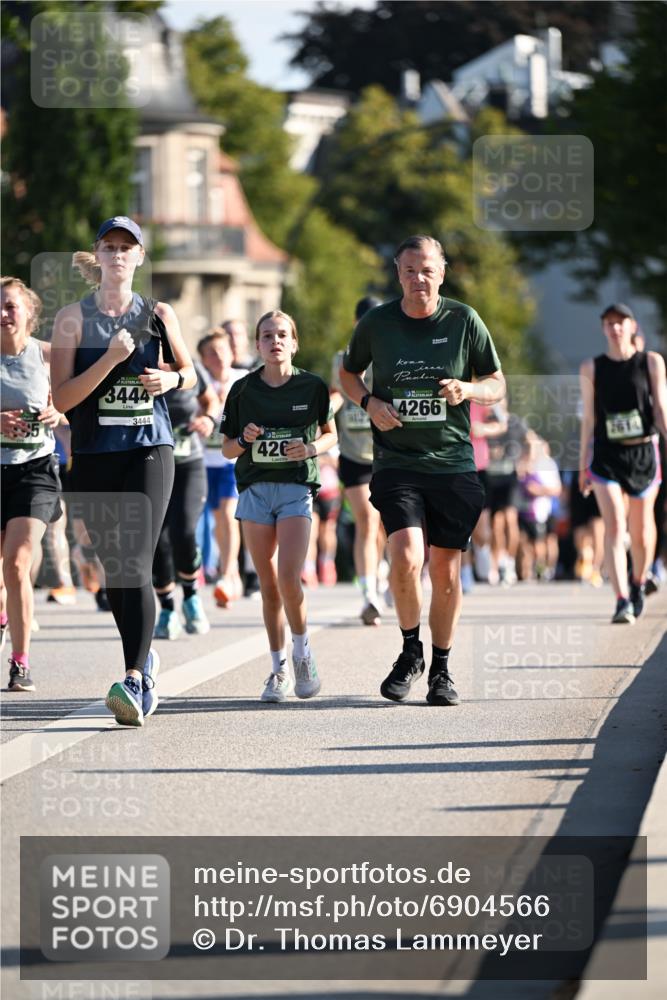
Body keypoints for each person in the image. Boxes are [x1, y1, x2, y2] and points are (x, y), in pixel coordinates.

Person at [340, 234, 505, 706]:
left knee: (446, 574)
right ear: (398, 273)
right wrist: (369, 402)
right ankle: (411, 651)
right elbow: (348, 374)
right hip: (397, 462)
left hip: (452, 462)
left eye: (428, 269)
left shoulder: (463, 320)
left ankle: (442, 669)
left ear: (442, 272)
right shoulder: (377, 323)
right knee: (407, 557)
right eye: (410, 270)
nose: (419, 279)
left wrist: (468, 391)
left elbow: (496, 382)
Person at [50, 216, 196, 726]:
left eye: (126, 248)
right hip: (94, 455)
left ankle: (134, 676)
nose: (117, 254)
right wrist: (111, 360)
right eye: (109, 246)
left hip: (148, 449)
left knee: (134, 558)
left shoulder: (158, 313)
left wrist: (171, 379)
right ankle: (143, 657)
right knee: (116, 571)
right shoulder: (72, 318)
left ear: (139, 258)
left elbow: (190, 371)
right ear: (99, 255)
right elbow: (62, 399)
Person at [221, 309, 337, 703]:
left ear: (294, 342)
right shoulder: (242, 389)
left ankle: (303, 653)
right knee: (268, 585)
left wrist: (309, 449)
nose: (275, 341)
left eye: (282, 334)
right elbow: (226, 448)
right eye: (267, 335)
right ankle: (278, 669)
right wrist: (245, 439)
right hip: (254, 491)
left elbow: (329, 435)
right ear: (257, 345)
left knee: (289, 577)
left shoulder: (312, 387)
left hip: (294, 488)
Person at [579, 303, 667, 623]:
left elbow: (661, 412)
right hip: (606, 456)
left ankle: (639, 581)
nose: (615, 328)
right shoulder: (591, 367)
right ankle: (620, 600)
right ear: (603, 328)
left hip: (644, 453)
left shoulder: (651, 362)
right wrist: (581, 465)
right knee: (615, 524)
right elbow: (588, 420)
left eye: (621, 322)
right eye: (609, 323)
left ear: (632, 326)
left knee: (642, 532)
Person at [1, 277, 62, 690]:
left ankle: (19, 662)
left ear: (28, 312)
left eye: (10, 306)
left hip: (35, 470)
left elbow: (76, 402)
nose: (4, 314)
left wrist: (59, 414)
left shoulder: (48, 356)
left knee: (19, 562)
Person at [330, 296, 388, 624]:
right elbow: (336, 393)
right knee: (367, 519)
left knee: (384, 526)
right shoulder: (342, 358)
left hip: (386, 453)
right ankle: (369, 594)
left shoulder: (392, 359)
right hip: (353, 454)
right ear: (357, 325)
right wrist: (322, 414)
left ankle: (385, 572)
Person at [152, 359, 220, 639]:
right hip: (152, 464)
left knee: (185, 530)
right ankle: (167, 609)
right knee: (157, 538)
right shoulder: (135, 364)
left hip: (188, 462)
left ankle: (191, 597)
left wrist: (208, 419)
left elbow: (210, 399)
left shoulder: (186, 365)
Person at [197, 329, 246, 606]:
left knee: (228, 516)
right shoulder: (199, 384)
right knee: (217, 522)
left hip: (232, 461)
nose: (218, 358)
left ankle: (228, 575)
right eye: (211, 354)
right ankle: (232, 571)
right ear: (204, 360)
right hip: (206, 461)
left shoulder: (243, 381)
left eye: (222, 351)